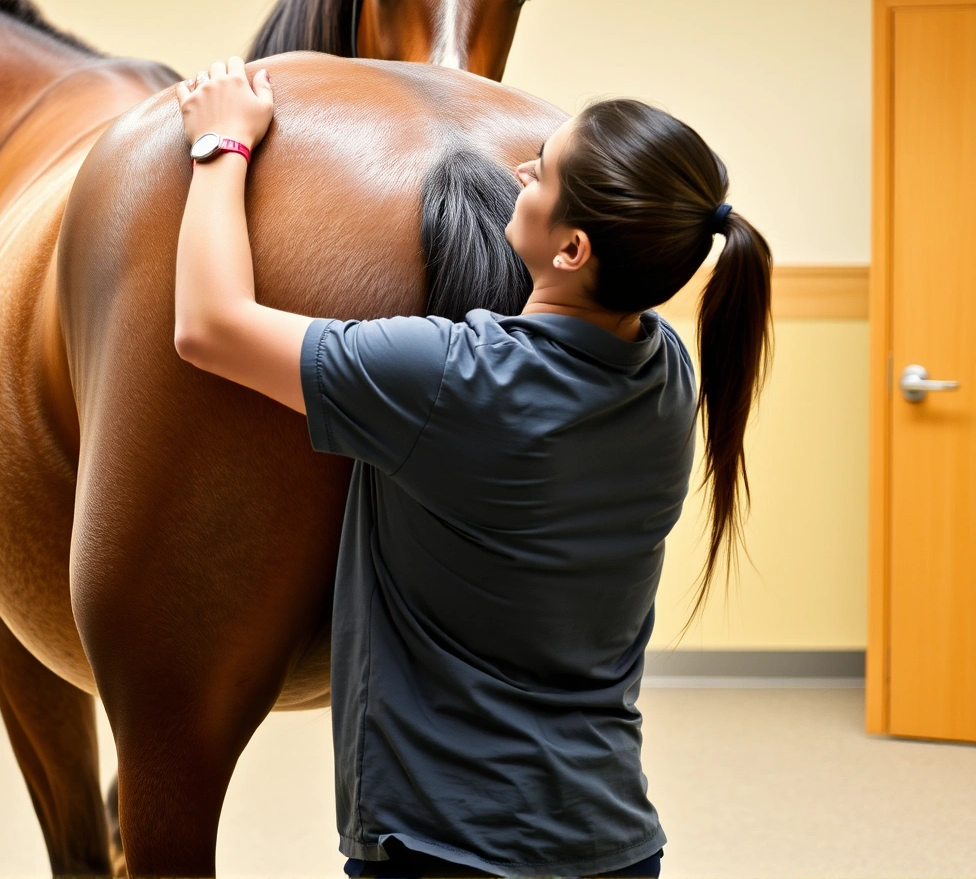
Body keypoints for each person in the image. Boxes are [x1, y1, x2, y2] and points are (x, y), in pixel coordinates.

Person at [171, 58, 773, 878]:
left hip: (448, 847)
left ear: (573, 247)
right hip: (613, 840)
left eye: (543, 172)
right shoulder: (665, 372)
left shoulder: (455, 379)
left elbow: (209, 326)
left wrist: (219, 145)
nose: (517, 171)